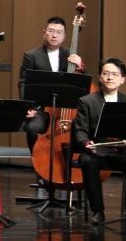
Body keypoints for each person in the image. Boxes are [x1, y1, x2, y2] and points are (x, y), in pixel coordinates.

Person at [74, 58, 126, 225]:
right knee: (87, 161)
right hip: (97, 151)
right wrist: (86, 143)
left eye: (115, 74)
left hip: (121, 151)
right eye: (106, 73)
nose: (110, 77)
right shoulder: (87, 101)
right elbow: (80, 130)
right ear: (100, 77)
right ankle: (98, 212)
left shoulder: (125, 102)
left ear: (123, 79)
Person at [20, 16, 86, 150]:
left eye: (59, 32)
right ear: (44, 33)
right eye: (51, 31)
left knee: (82, 130)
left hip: (67, 110)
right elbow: (23, 83)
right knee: (33, 127)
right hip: (42, 109)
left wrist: (80, 65)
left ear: (64, 36)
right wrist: (28, 107)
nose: (55, 35)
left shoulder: (71, 54)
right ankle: (36, 158)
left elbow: (84, 82)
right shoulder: (31, 55)